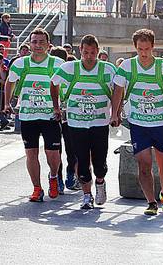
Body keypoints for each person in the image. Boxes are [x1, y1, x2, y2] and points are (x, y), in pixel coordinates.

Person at [110, 29, 163, 216]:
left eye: (147, 49)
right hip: (138, 123)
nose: (144, 53)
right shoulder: (126, 66)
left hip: (161, 123)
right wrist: (114, 113)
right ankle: (151, 202)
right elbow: (118, 91)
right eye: (140, 49)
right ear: (135, 48)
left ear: (153, 47)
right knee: (144, 165)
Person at [51, 34, 116, 209]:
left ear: (98, 51)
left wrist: (116, 112)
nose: (89, 56)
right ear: (80, 51)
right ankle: (87, 195)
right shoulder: (68, 68)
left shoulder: (108, 69)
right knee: (81, 159)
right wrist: (57, 107)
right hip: (76, 123)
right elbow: (53, 83)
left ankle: (100, 182)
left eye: (92, 52)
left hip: (100, 123)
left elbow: (119, 89)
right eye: (85, 52)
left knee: (99, 161)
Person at [3, 28, 64, 202]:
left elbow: (65, 84)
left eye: (41, 42)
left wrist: (61, 105)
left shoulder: (58, 63)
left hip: (50, 115)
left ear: (48, 45)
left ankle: (53, 177)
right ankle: (37, 188)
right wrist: (7, 103)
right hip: (28, 115)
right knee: (31, 153)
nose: (37, 45)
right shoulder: (20, 64)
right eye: (34, 42)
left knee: (53, 153)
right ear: (30, 44)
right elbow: (10, 81)